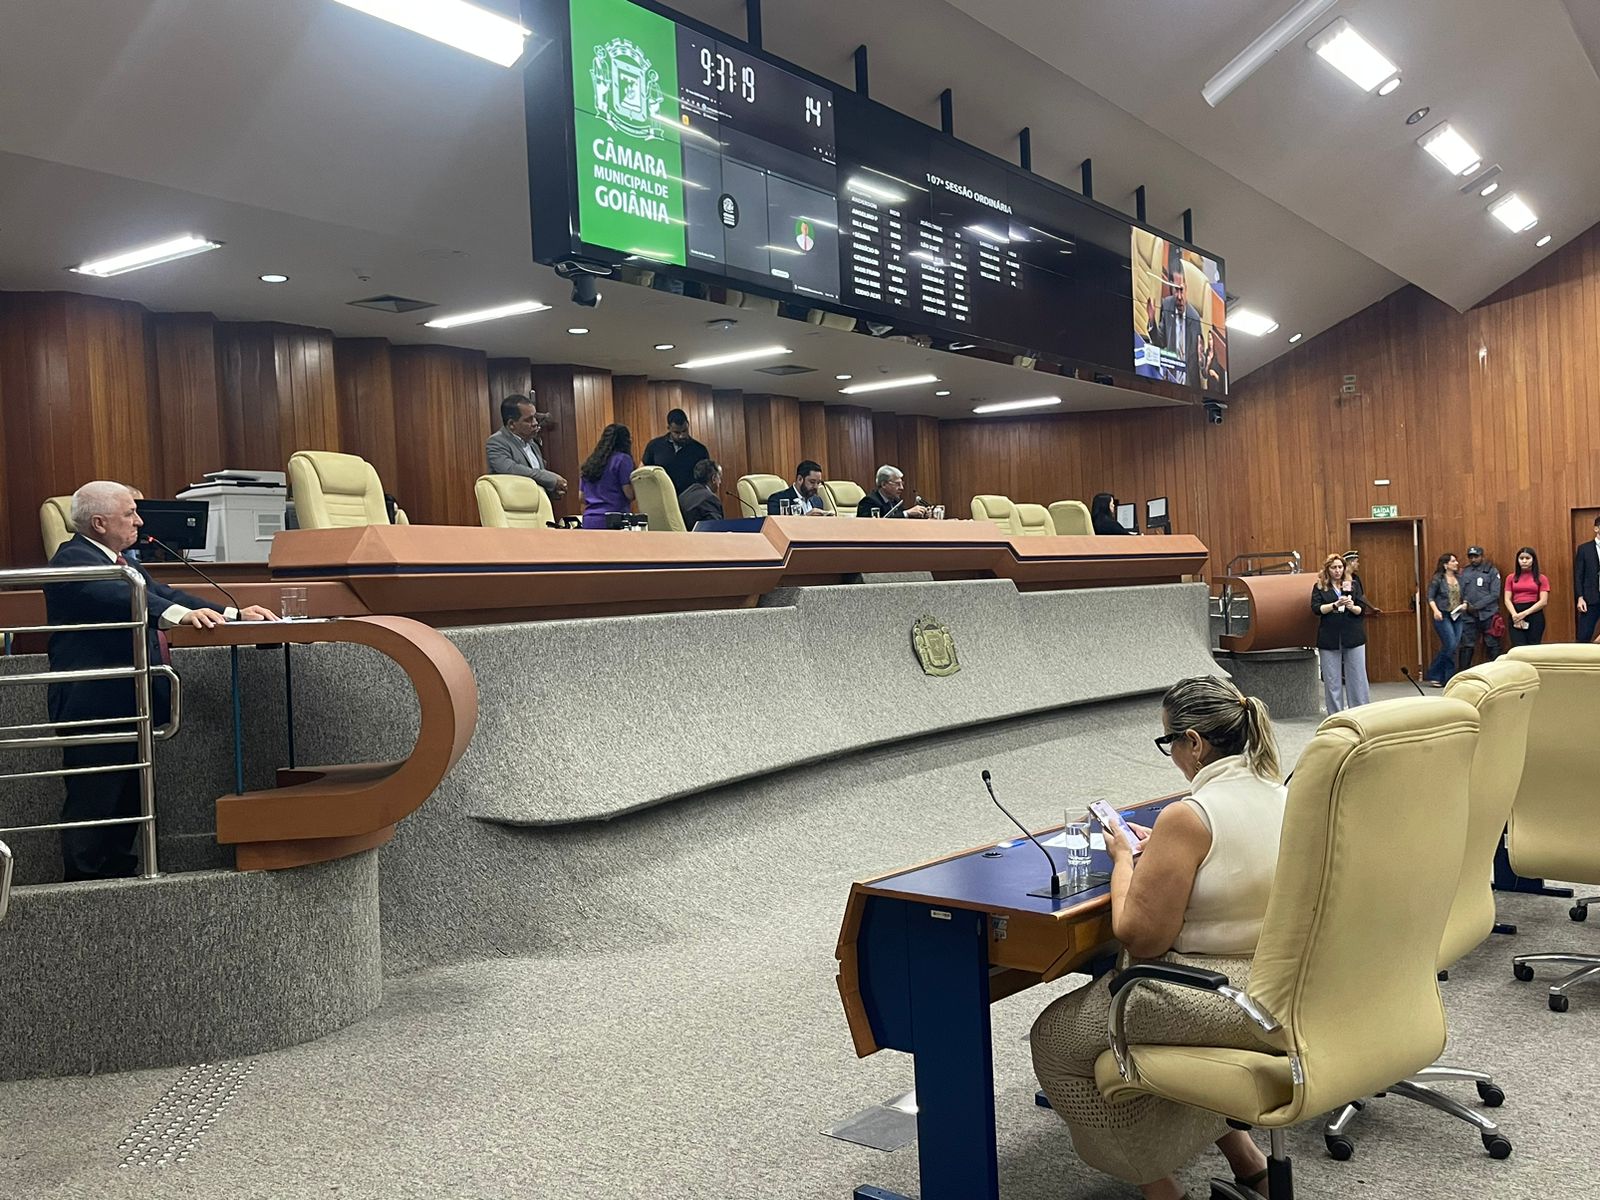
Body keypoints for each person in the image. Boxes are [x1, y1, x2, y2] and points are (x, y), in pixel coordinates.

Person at [1031, 676, 1284, 1200]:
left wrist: (1125, 858)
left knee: (1055, 1040)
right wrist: (1164, 852)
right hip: (1278, 983)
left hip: (1219, 995)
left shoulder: (1190, 816)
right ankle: (1246, 1159)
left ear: (1194, 742)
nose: (1171, 754)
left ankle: (1161, 1189)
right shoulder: (1281, 794)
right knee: (1133, 1032)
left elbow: (1140, 938)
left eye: (1169, 741)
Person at [46, 481, 277, 881]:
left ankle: (121, 882)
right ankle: (83, 891)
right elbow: (118, 599)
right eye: (129, 514)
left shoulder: (123, 562)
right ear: (99, 523)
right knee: (95, 802)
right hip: (94, 705)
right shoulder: (73, 560)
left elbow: (166, 594)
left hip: (130, 701)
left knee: (129, 801)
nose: (139, 521)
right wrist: (178, 617)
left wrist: (234, 615)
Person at [1310, 552, 1369, 712]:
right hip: (1330, 637)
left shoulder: (1352, 584)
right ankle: (1335, 715)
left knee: (1357, 678)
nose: (1337, 571)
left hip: (1353, 635)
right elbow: (1316, 609)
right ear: (1327, 569)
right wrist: (1334, 605)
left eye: (1340, 567)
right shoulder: (1320, 587)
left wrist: (1351, 606)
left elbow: (1361, 609)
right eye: (1333, 567)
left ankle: (1360, 711)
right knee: (1332, 680)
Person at [487, 395, 566, 501]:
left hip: (536, 506)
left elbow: (535, 478)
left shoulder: (533, 444)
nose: (535, 423)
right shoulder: (496, 442)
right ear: (511, 424)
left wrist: (551, 491)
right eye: (529, 420)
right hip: (512, 507)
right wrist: (551, 479)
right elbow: (511, 470)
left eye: (535, 417)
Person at [1143, 272, 1202, 385]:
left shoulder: (1195, 319)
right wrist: (1152, 320)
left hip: (1186, 383)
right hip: (1169, 376)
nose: (1179, 297)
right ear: (1171, 289)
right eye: (1176, 290)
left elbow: (1194, 364)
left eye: (1181, 290)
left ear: (1186, 289)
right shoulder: (1167, 304)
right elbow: (1160, 342)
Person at [640, 408, 710, 496]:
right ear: (669, 428)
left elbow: (707, 480)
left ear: (688, 424)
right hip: (662, 497)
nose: (682, 436)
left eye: (684, 431)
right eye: (677, 432)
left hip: (691, 499)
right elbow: (642, 471)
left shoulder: (700, 450)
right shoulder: (655, 446)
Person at [578, 424, 635, 529]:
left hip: (589, 519)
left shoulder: (591, 462)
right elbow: (629, 494)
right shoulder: (623, 459)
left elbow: (581, 497)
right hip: (614, 520)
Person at [1425, 552, 1468, 686]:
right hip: (1443, 615)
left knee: (1453, 647)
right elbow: (1430, 597)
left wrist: (1465, 604)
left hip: (1457, 615)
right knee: (1450, 644)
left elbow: (1465, 595)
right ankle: (1435, 673)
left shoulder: (1460, 578)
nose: (1456, 563)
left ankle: (1446, 678)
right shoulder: (1438, 579)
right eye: (1453, 561)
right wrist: (1435, 611)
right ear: (1445, 565)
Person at [1457, 545, 1502, 670]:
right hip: (1468, 615)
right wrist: (1466, 604)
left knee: (1492, 644)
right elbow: (1460, 591)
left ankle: (1496, 673)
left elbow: (1495, 594)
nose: (1473, 559)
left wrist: (1476, 606)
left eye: (1476, 556)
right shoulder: (1464, 572)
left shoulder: (1491, 571)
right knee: (1466, 645)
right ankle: (1463, 674)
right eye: (1470, 557)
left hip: (1488, 614)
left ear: (1482, 556)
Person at [1504, 546, 1550, 647]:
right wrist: (1515, 615)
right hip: (1516, 612)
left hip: (1534, 613)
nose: (1524, 561)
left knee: (1533, 647)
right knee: (1518, 646)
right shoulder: (1511, 578)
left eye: (1527, 558)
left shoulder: (1541, 578)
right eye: (1521, 558)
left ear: (1533, 560)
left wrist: (1524, 614)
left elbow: (1543, 601)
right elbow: (1507, 599)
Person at [856, 465, 928, 518]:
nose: (901, 488)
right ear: (884, 484)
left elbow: (901, 519)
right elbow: (875, 525)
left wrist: (919, 514)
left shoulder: (896, 500)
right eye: (897, 484)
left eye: (902, 484)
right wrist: (907, 513)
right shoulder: (869, 502)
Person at [678, 458, 724, 526]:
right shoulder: (710, 499)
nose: (720, 482)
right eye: (719, 478)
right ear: (713, 478)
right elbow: (716, 528)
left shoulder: (683, 495)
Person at [1576, 516, 1600, 644]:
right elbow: (1579, 575)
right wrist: (1580, 597)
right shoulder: (1584, 549)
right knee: (1584, 636)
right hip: (1590, 598)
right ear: (1596, 528)